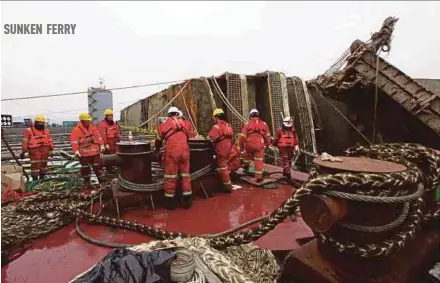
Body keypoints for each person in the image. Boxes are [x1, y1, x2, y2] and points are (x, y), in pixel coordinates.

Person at [155, 106, 194, 210]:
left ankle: (170, 203)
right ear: (177, 114)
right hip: (185, 152)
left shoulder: (163, 124)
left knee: (170, 177)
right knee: (185, 176)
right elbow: (191, 137)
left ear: (169, 115)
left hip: (172, 153)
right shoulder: (186, 123)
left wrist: (157, 149)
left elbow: (158, 140)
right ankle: (187, 201)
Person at [208, 108, 240, 192]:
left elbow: (210, 139)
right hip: (229, 149)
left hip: (221, 149)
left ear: (217, 117)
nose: (214, 120)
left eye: (214, 118)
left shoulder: (217, 127)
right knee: (225, 166)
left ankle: (227, 187)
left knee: (222, 168)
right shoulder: (228, 125)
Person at [70, 113, 106, 185]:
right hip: (84, 154)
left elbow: (99, 137)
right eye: (86, 121)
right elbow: (74, 141)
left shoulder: (93, 128)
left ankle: (103, 183)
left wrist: (102, 145)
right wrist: (76, 151)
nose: (88, 122)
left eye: (89, 121)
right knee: (85, 169)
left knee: (98, 168)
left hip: (95, 153)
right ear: (82, 121)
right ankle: (87, 183)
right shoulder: (76, 130)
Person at [238, 109, 271, 182]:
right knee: (258, 160)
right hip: (259, 144)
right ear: (258, 115)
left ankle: (246, 167)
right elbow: (267, 136)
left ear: (250, 116)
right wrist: (268, 144)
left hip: (249, 144)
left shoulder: (247, 124)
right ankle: (259, 177)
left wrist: (240, 145)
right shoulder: (264, 124)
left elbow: (243, 136)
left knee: (246, 155)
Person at [21, 115, 54, 180]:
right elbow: (25, 141)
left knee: (44, 163)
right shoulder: (28, 131)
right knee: (35, 164)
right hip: (34, 150)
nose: (41, 124)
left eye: (43, 123)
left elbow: (50, 140)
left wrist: (51, 149)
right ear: (36, 123)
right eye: (40, 123)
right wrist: (23, 151)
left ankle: (42, 177)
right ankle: (35, 178)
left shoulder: (46, 131)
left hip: (45, 149)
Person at [98, 108, 121, 174]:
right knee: (108, 156)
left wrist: (120, 140)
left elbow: (117, 133)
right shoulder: (102, 124)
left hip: (115, 143)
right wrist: (105, 144)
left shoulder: (114, 124)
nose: (111, 117)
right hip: (108, 143)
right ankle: (109, 170)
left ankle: (116, 168)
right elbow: (102, 135)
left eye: (112, 115)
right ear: (106, 116)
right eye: (109, 115)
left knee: (116, 155)